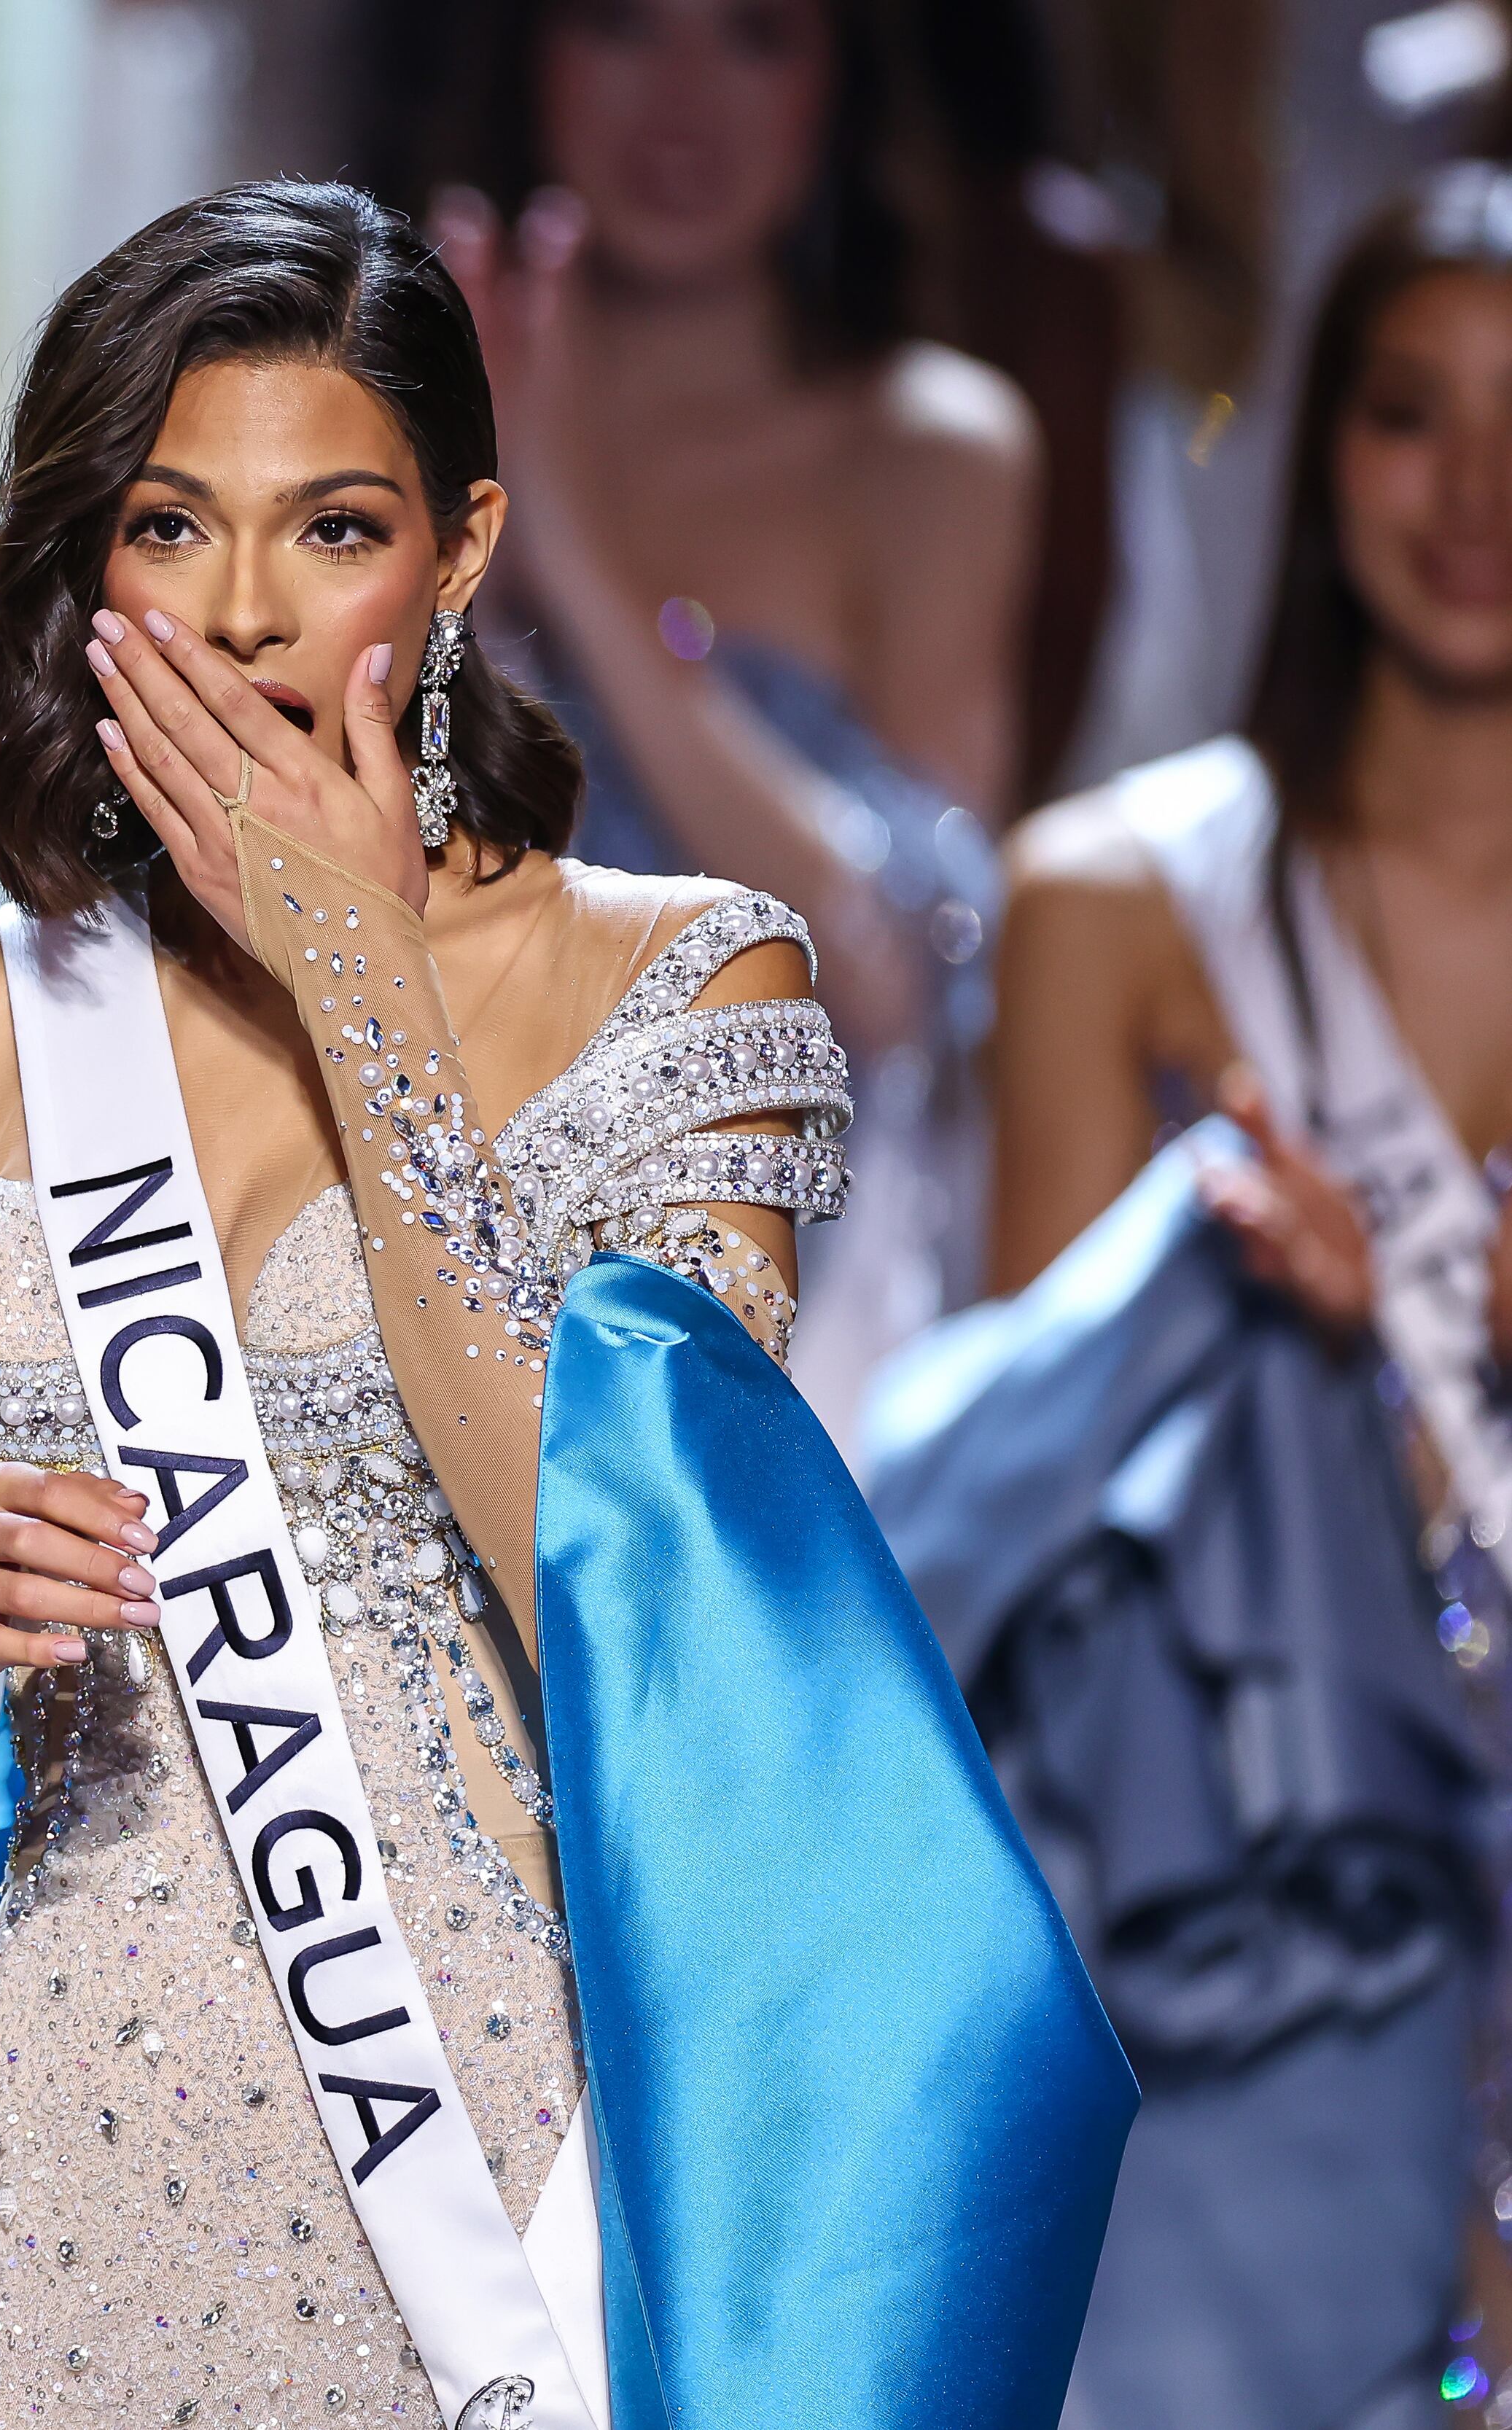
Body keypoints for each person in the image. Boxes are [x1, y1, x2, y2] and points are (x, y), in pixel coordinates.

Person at [0, 179, 1131, 2429]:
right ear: (85, 558)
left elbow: (621, 1603)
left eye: (333, 528)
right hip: (45, 2185)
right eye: (172, 526)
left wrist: (364, 988)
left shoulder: (680, 988)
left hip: (501, 2177)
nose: (247, 612)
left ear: (464, 548)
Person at [893, 160, 1512, 2430]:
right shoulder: (1128, 901)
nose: (1477, 495)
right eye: (1410, 414)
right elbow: (1043, 1540)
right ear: (1318, 445)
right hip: (1276, 1921)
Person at [423, 0, 1036, 1436]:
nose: (682, 99)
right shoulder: (375, 412)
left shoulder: (933, 452)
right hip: (401, 1280)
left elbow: (891, 977)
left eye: (756, 32)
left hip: (766, 1348)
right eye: (623, 24)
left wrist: (561, 539)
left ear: (838, 76)